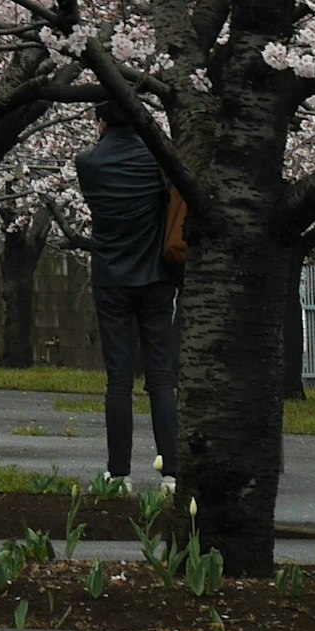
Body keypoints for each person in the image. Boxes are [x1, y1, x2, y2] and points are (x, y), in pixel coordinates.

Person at [73, 97, 184, 484]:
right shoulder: (158, 161)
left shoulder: (87, 164)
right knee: (160, 377)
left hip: (111, 276)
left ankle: (118, 473)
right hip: (155, 276)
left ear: (100, 121)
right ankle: (171, 470)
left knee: (118, 379)